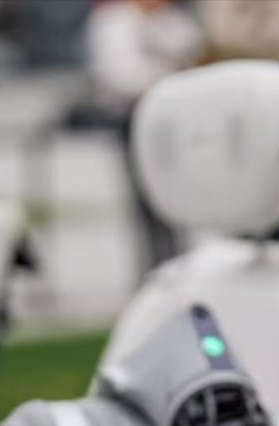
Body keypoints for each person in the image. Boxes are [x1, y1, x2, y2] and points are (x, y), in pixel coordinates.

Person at [86, 0, 202, 271]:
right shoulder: (115, 22)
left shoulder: (171, 21)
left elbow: (195, 52)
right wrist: (170, 74)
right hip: (136, 119)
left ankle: (182, 265)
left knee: (179, 202)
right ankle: (157, 267)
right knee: (148, 203)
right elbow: (124, 77)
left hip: (176, 120)